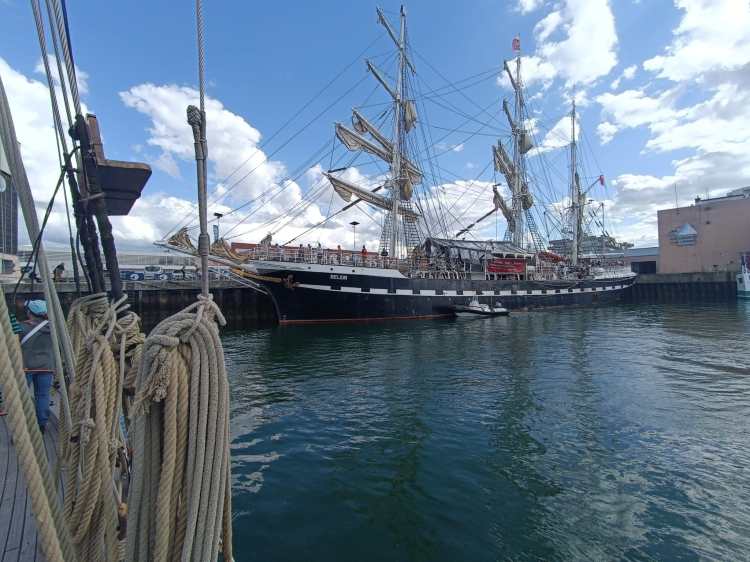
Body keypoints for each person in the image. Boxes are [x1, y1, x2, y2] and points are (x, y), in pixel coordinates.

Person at [18, 300, 55, 432]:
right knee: (43, 395)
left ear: (29, 313)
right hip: (47, 367)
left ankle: (22, 424)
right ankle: (42, 424)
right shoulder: (52, 328)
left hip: (26, 367)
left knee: (21, 396)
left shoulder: (21, 327)